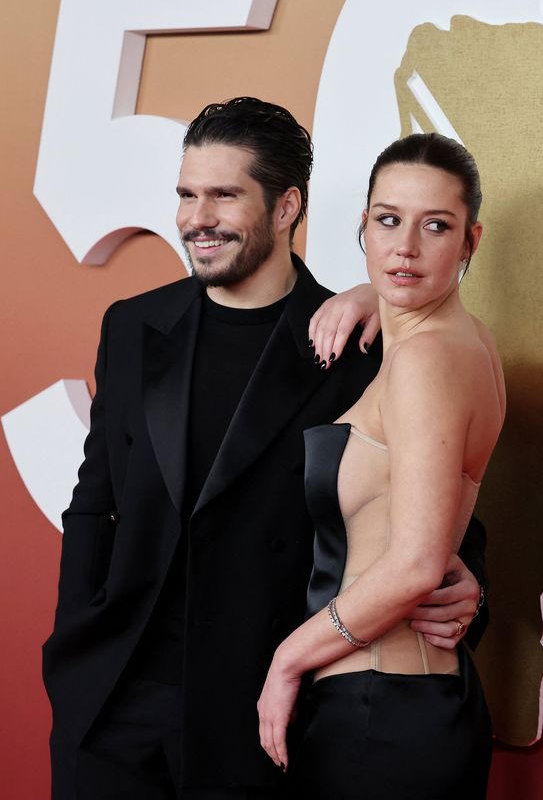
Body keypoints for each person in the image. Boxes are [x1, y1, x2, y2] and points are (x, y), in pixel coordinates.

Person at [43, 100, 488, 800]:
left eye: (224, 195)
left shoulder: (360, 352)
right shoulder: (132, 327)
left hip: (262, 715)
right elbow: (92, 506)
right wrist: (73, 662)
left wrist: (468, 586)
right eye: (188, 195)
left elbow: (439, 518)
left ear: (286, 208)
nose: (197, 217)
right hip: (111, 707)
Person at [258, 132, 505, 800]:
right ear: (363, 226)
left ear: (470, 241)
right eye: (390, 220)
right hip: (412, 702)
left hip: (379, 716)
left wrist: (288, 659)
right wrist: (371, 297)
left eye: (437, 226)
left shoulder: (427, 361)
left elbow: (418, 563)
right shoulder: (465, 340)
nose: (406, 246)